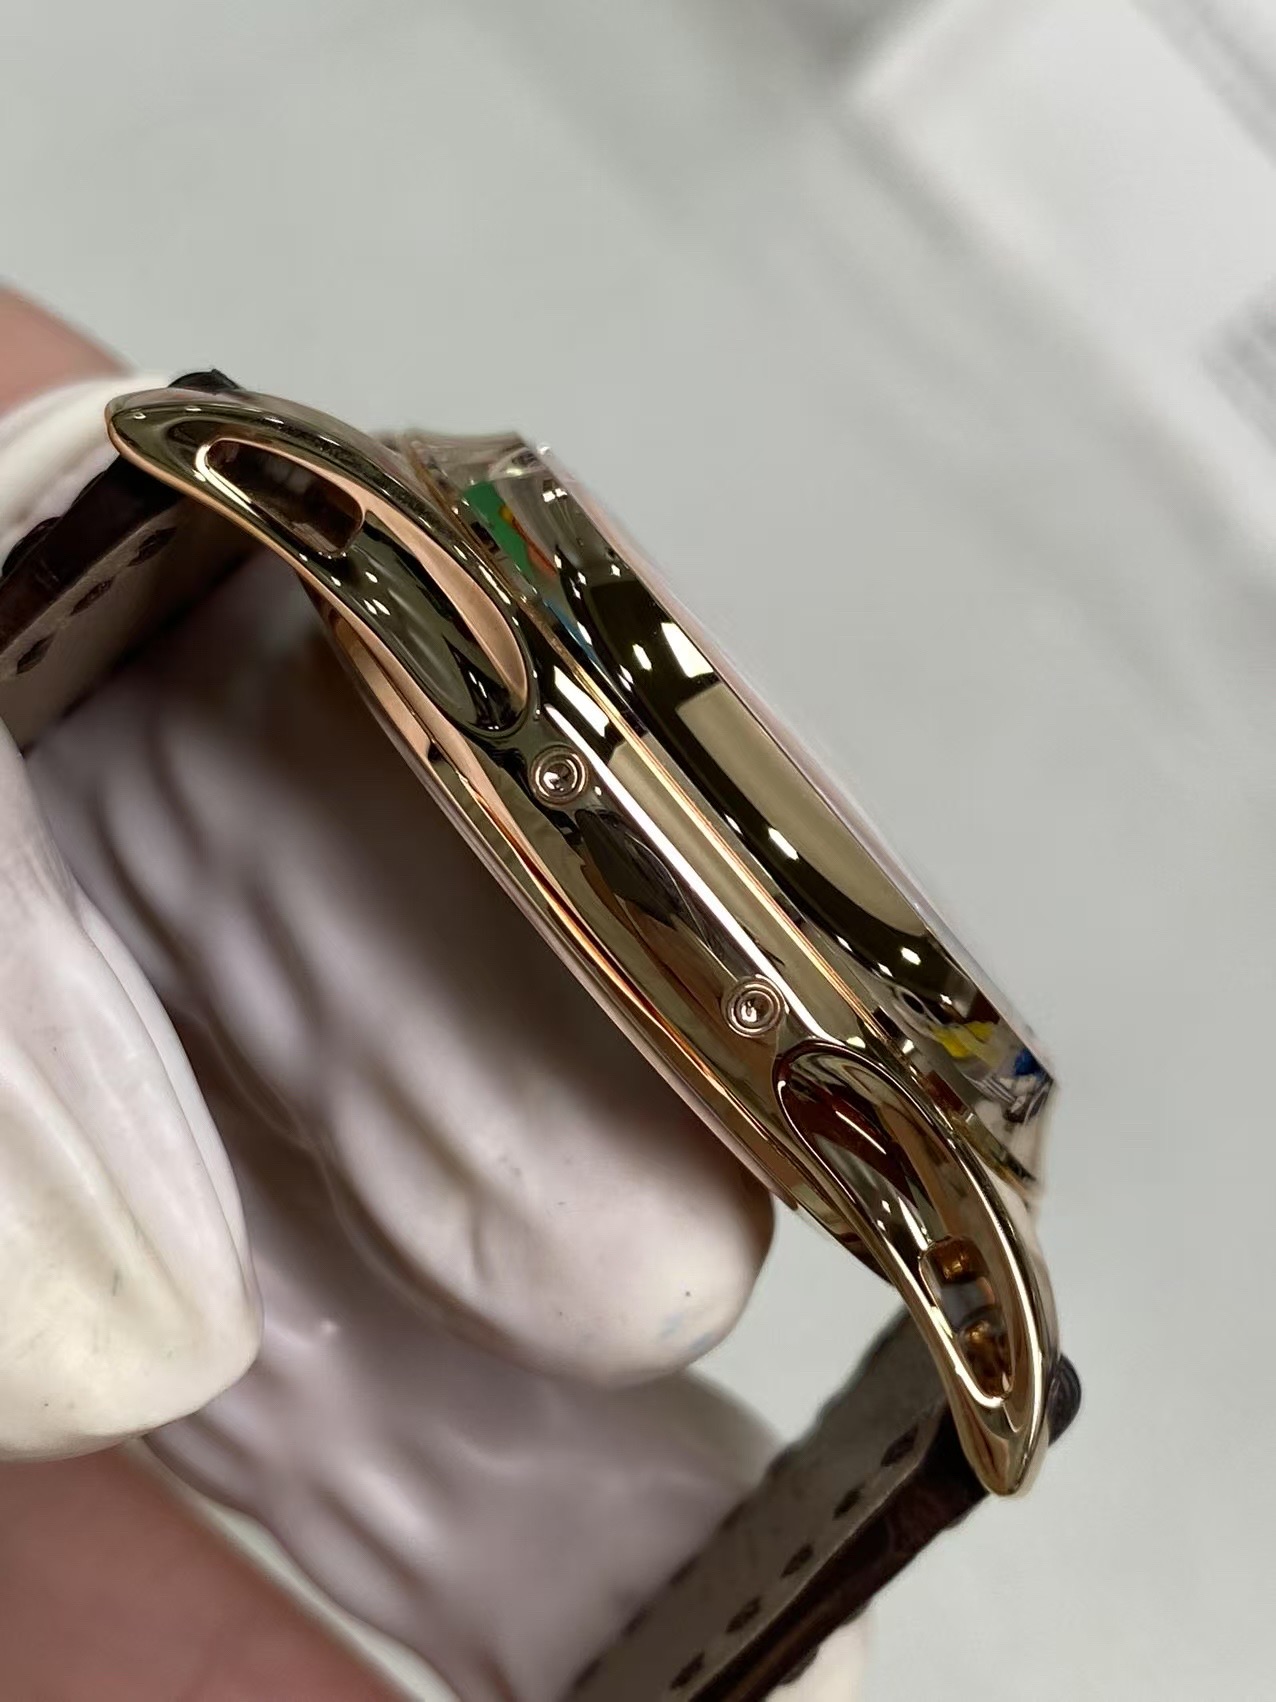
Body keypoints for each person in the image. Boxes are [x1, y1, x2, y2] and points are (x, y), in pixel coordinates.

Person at [0, 291, 864, 1702]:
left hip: (160, 605)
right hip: (147, 621)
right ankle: (168, 739)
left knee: (601, 1244)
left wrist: (103, 510)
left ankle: (180, 729)